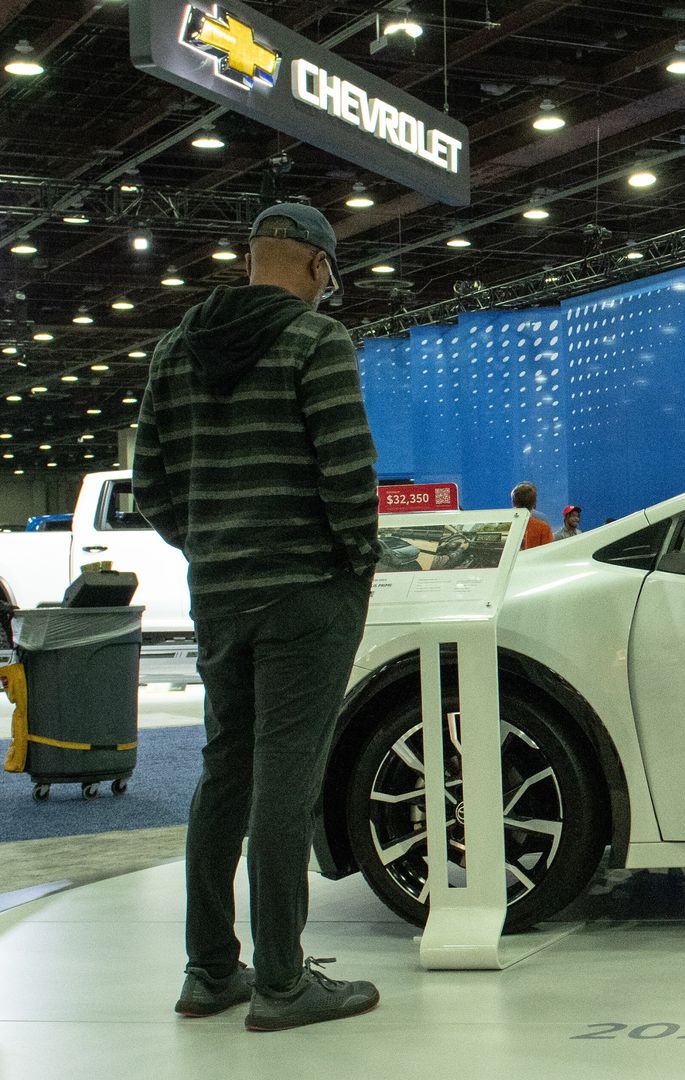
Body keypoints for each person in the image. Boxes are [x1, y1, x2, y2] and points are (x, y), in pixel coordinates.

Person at [133, 203, 381, 1030]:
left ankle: (210, 971)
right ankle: (282, 981)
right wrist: (357, 560)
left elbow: (152, 488)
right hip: (307, 589)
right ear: (317, 266)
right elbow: (347, 466)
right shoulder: (317, 342)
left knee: (225, 772)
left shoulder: (173, 350)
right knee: (289, 778)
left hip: (220, 592)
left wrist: (210, 544)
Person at [513, 482, 553, 548]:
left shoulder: (504, 524)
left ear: (513, 502)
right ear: (534, 502)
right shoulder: (543, 527)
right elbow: (548, 552)